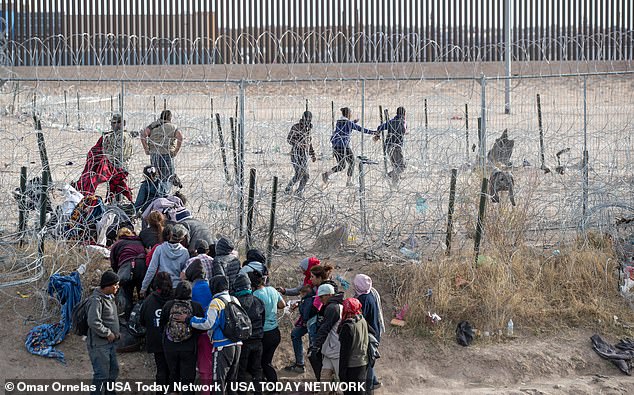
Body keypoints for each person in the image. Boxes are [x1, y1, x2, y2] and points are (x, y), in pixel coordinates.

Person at [189, 275, 243, 395]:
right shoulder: (234, 299)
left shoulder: (216, 302)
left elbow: (208, 323)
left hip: (222, 345)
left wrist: (191, 320)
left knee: (218, 382)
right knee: (232, 382)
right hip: (238, 344)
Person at [159, 281, 205, 395]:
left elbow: (162, 324)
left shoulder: (168, 305)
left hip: (170, 346)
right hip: (189, 347)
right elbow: (202, 327)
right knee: (188, 379)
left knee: (173, 375)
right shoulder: (196, 306)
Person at [279, 257, 321, 373]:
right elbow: (301, 292)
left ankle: (318, 374)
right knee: (295, 334)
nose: (302, 271)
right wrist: (286, 292)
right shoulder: (309, 279)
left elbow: (316, 302)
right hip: (306, 317)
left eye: (303, 268)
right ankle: (300, 364)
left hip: (313, 318)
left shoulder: (318, 282)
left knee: (314, 348)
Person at [87, 271, 121, 395]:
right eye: (116, 285)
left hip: (109, 344)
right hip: (99, 345)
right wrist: (107, 333)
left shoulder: (109, 297)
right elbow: (93, 321)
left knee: (113, 371)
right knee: (101, 375)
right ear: (108, 285)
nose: (117, 287)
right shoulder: (96, 300)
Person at [322, 107, 375, 186]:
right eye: (350, 113)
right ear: (348, 114)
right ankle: (348, 182)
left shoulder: (339, 122)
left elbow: (344, 128)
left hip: (336, 146)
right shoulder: (349, 124)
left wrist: (353, 122)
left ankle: (326, 174)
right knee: (352, 162)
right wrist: (373, 132)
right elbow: (361, 129)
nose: (351, 115)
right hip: (344, 146)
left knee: (341, 165)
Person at [139, 272, 173, 394]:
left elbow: (141, 320)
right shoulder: (175, 298)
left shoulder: (149, 300)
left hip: (156, 339)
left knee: (161, 369)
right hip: (174, 340)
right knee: (173, 370)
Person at [184, 260, 214, 395]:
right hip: (212, 332)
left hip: (196, 332)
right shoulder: (211, 287)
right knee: (208, 364)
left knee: (202, 366)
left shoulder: (191, 290)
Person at [233, 272, 265, 393]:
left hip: (243, 342)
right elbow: (263, 319)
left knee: (241, 370)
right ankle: (258, 392)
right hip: (258, 340)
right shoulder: (258, 301)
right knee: (257, 369)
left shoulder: (235, 302)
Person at [252, 270, 285, 383]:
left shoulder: (255, 295)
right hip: (275, 331)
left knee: (263, 362)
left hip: (264, 333)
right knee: (267, 360)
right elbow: (282, 305)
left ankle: (273, 386)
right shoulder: (272, 290)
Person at [353, 274, 385, 390]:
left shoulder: (363, 300)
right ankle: (374, 381)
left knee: (367, 361)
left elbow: (361, 319)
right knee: (369, 358)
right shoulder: (371, 293)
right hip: (375, 331)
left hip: (368, 333)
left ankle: (370, 386)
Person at [141, 224, 190, 296]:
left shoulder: (160, 249)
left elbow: (151, 270)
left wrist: (144, 288)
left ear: (170, 234)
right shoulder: (185, 252)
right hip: (176, 288)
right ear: (182, 239)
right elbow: (184, 273)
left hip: (161, 287)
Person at [310, 283, 344, 382]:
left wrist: (315, 346)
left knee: (340, 383)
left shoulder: (332, 308)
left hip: (335, 350)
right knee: (325, 380)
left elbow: (324, 329)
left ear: (329, 295)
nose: (320, 300)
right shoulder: (337, 305)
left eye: (321, 297)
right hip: (330, 350)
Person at [109, 227, 146, 319]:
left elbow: (113, 262)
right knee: (143, 293)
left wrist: (117, 273)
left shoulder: (118, 243)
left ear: (120, 236)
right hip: (142, 266)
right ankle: (142, 317)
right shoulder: (140, 241)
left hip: (127, 267)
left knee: (124, 291)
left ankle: (125, 316)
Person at [141, 109, 183, 183]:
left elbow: (143, 135)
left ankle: (156, 192)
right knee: (168, 177)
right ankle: (165, 193)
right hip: (167, 154)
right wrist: (175, 151)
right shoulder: (172, 127)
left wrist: (146, 149)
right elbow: (180, 137)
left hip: (154, 154)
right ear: (170, 118)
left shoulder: (153, 125)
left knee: (155, 176)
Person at [338, 298, 369, 395]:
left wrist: (342, 373)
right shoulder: (362, 319)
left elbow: (344, 353)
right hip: (363, 362)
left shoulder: (348, 327)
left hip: (352, 366)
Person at [285, 111, 317, 198]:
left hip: (304, 155)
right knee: (299, 173)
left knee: (306, 175)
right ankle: (288, 188)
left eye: (310, 119)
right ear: (303, 118)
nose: (308, 121)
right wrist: (297, 143)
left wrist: (312, 154)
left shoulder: (308, 129)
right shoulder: (296, 127)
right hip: (296, 153)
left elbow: (309, 143)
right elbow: (289, 139)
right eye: (306, 119)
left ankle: (299, 192)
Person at [375, 106, 407, 184]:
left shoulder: (391, 122)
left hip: (389, 147)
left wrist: (377, 135)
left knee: (396, 167)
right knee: (401, 167)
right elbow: (404, 131)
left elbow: (379, 127)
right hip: (397, 147)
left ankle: (394, 186)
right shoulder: (403, 122)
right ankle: (388, 175)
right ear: (404, 114)